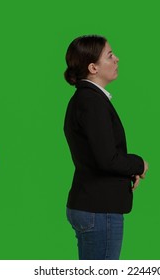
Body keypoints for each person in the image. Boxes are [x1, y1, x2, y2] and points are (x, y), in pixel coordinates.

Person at [63, 35, 148, 260]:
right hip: (99, 209)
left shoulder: (86, 99)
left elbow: (98, 155)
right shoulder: (91, 102)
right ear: (93, 67)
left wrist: (129, 169)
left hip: (90, 204)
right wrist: (139, 163)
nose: (117, 59)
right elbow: (107, 159)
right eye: (110, 55)